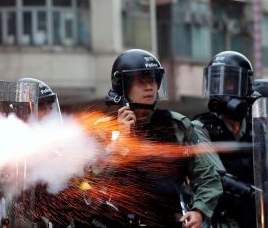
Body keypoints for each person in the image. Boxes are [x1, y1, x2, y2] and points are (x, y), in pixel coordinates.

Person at [108, 49, 222, 228]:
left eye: (153, 80)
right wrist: (120, 141)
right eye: (141, 81)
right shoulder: (104, 130)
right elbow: (91, 180)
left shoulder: (178, 125)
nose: (149, 87)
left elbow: (207, 177)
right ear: (123, 85)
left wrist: (199, 211)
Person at [193, 51, 257, 228]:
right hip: (220, 220)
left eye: (228, 82)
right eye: (215, 83)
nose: (219, 91)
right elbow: (215, 176)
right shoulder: (200, 128)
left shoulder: (258, 126)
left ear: (245, 86)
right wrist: (254, 194)